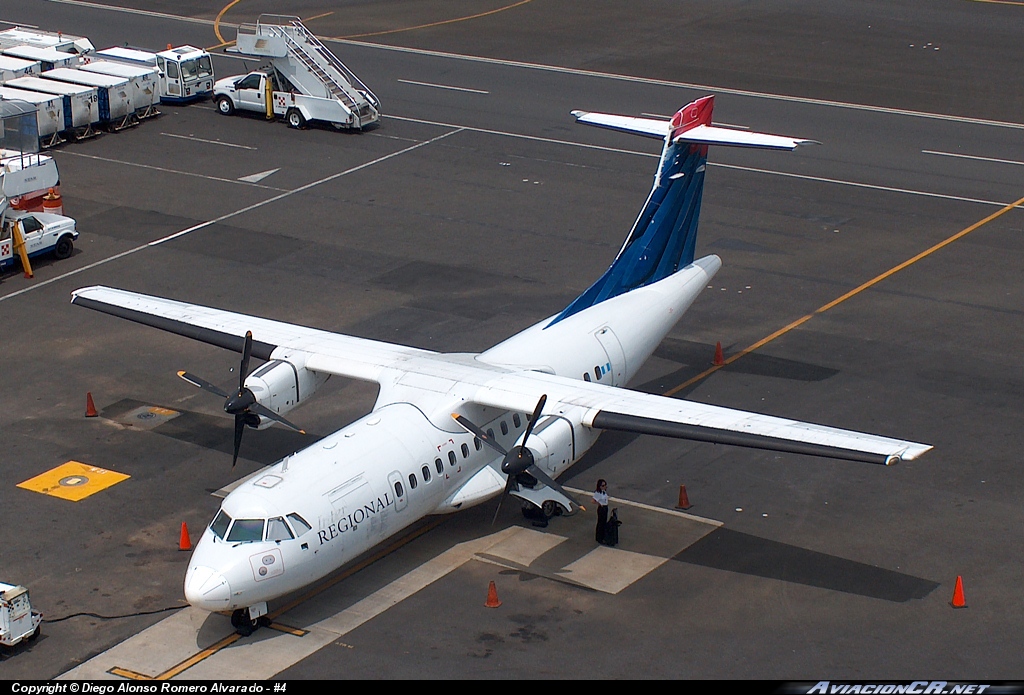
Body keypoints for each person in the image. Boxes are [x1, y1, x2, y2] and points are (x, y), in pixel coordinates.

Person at [593, 479, 609, 543]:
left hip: (605, 507)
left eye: (605, 485)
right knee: (600, 523)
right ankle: (599, 537)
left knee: (604, 522)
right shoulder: (598, 493)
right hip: (601, 508)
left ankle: (602, 536)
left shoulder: (604, 492)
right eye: (603, 485)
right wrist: (599, 503)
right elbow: (593, 501)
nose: (604, 486)